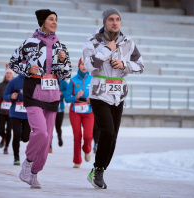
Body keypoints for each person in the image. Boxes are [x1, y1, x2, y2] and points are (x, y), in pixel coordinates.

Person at [8, 9, 71, 189]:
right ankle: (27, 162)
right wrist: (28, 69)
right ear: (43, 21)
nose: (55, 22)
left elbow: (66, 73)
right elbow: (13, 62)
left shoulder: (61, 46)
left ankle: (34, 173)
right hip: (33, 92)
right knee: (41, 132)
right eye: (51, 19)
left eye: (56, 20)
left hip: (52, 95)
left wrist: (62, 61)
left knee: (46, 142)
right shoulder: (29, 43)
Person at [83, 8, 144, 189]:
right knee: (107, 132)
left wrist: (124, 64)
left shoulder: (128, 42)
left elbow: (140, 66)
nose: (115, 22)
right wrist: (106, 50)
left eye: (117, 19)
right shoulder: (92, 42)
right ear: (104, 22)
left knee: (113, 136)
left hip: (118, 94)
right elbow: (90, 67)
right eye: (111, 19)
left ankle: (99, 170)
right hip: (99, 93)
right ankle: (98, 170)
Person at [65, 58, 94, 168]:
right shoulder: (72, 80)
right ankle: (77, 161)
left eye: (86, 64)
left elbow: (97, 95)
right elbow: (67, 99)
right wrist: (75, 97)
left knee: (88, 136)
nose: (84, 66)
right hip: (75, 111)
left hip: (89, 111)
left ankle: (87, 149)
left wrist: (92, 99)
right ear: (79, 65)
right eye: (82, 64)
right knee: (77, 136)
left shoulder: (92, 80)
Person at [3, 73, 31, 166]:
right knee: (16, 135)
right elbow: (5, 95)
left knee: (25, 138)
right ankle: (16, 157)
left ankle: (22, 132)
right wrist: (11, 96)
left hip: (28, 114)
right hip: (15, 113)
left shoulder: (32, 80)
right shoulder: (13, 81)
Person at [0, 67, 14, 154]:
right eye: (7, 73)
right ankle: (3, 137)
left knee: (9, 130)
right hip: (1, 111)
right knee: (1, 130)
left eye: (10, 73)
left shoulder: (15, 85)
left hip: (11, 112)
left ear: (12, 75)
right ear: (5, 75)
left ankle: (6, 147)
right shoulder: (0, 85)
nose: (8, 75)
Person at [49, 79, 68, 153]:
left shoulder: (63, 82)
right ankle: (49, 144)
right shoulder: (49, 79)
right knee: (50, 126)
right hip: (50, 106)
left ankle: (59, 137)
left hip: (60, 107)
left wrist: (61, 93)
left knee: (58, 126)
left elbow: (68, 91)